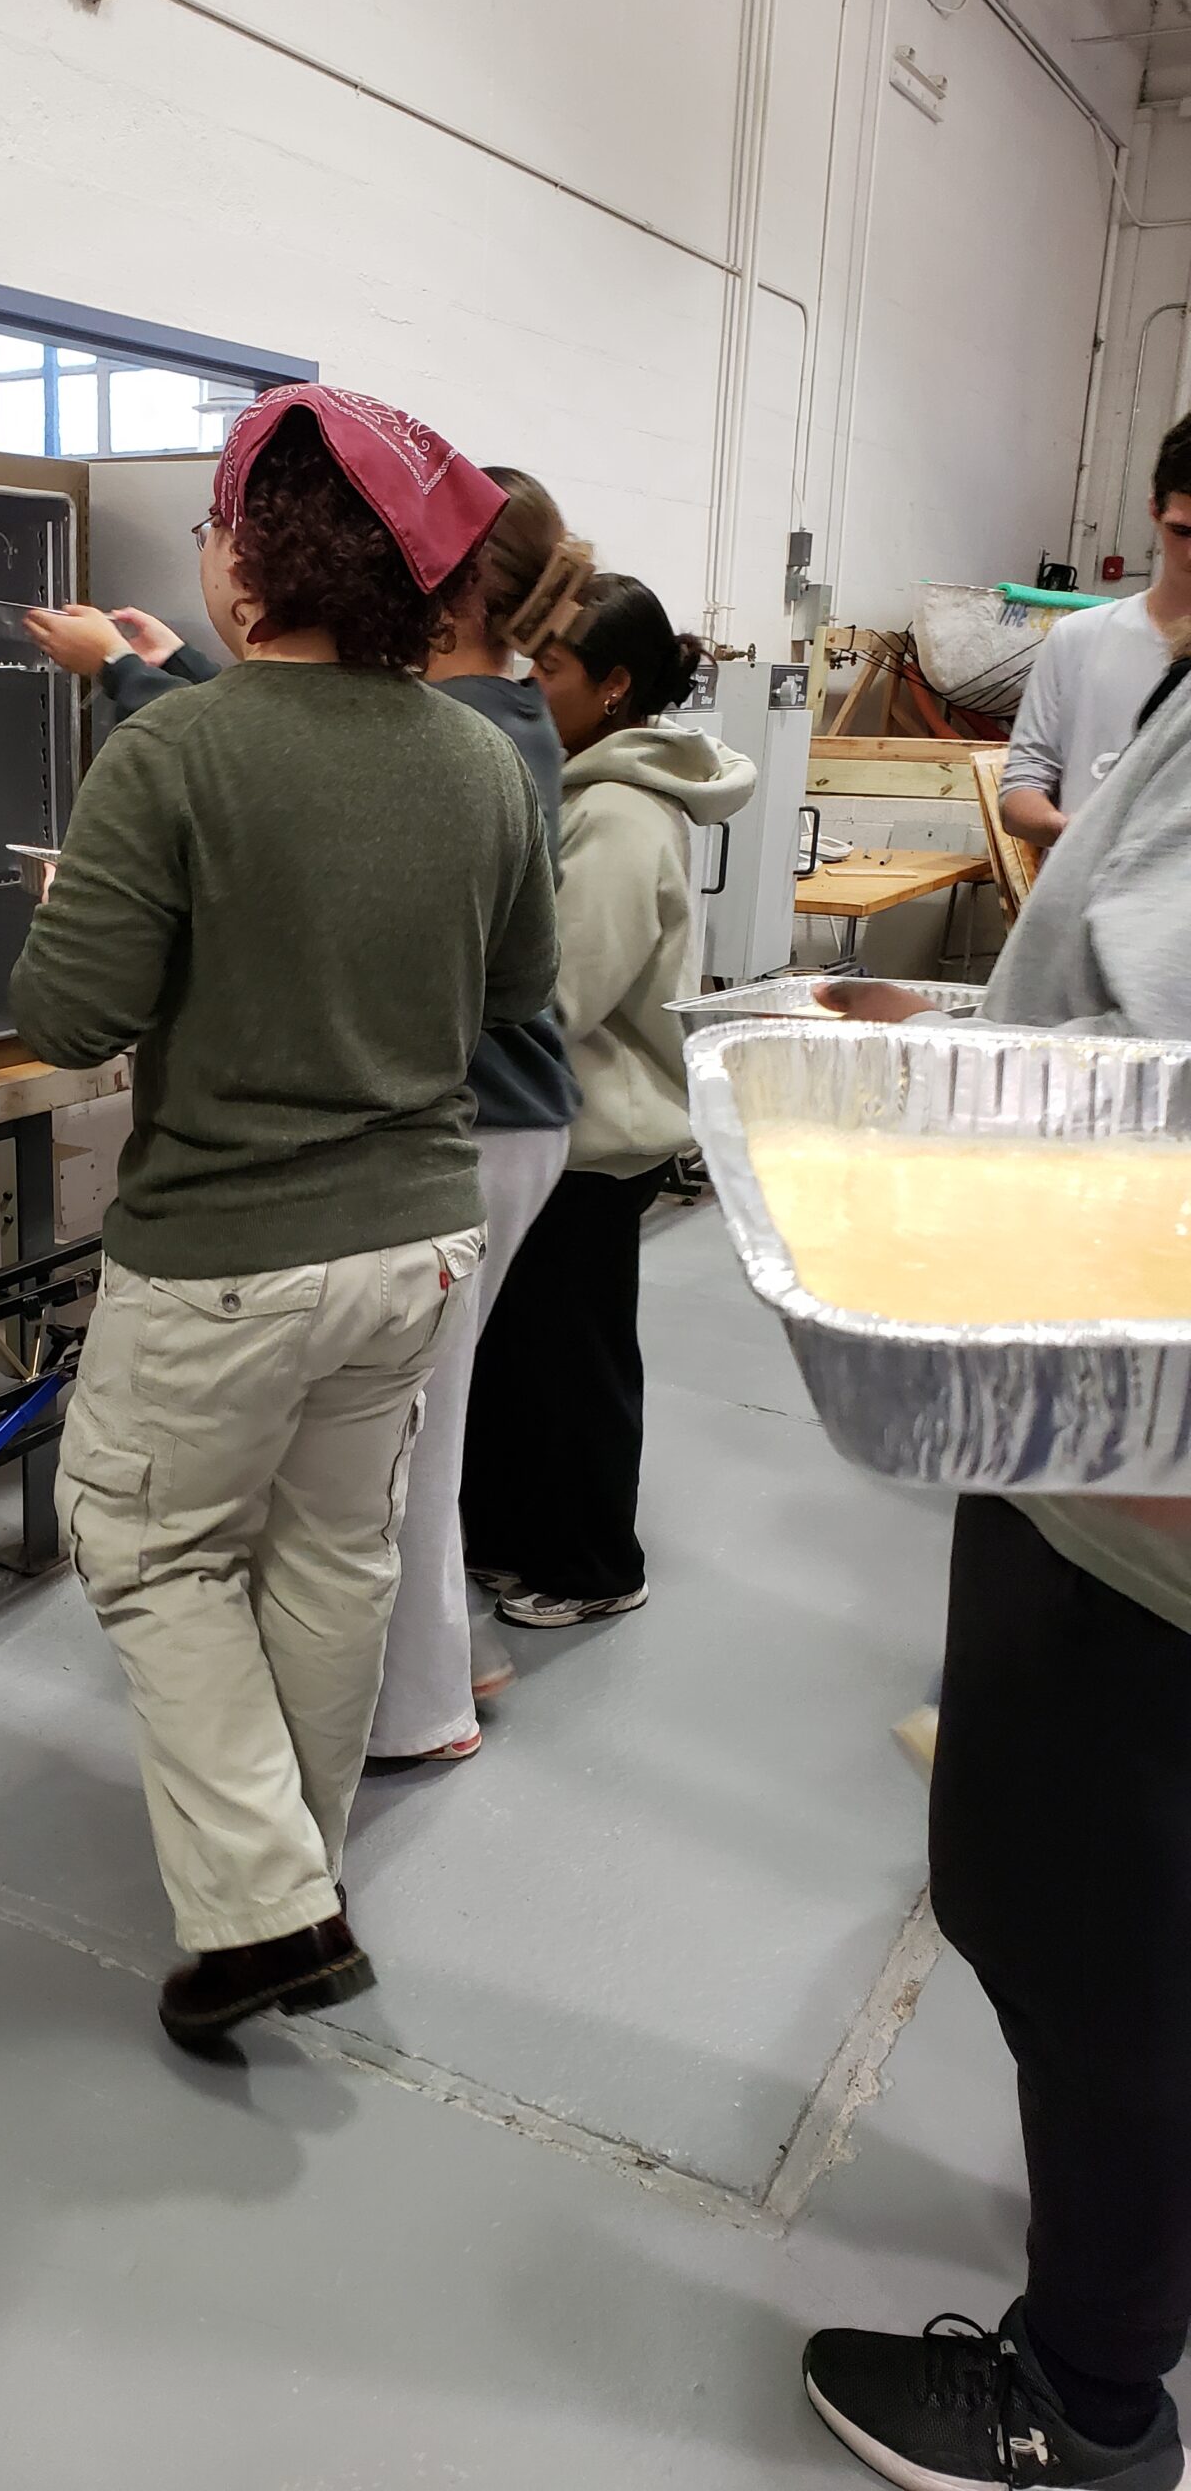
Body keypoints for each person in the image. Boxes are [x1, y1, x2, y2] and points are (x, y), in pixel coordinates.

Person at [7, 385, 559, 2050]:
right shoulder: (481, 760)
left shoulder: (174, 750)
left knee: (146, 1544)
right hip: (415, 1243)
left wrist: (89, 910)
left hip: (225, 1255)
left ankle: (265, 1905)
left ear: (250, 558)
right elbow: (516, 991)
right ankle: (295, 1888)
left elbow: (71, 1019)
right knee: (333, 1553)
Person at [803, 671, 1191, 2489]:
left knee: (1086, 1940)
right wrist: (978, 1035)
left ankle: (1090, 2400)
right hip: (1104, 1451)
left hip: (1137, 1497)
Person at [460, 573, 755, 1633]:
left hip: (591, 1135)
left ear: (616, 685)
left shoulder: (620, 813)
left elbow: (564, 991)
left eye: (548, 666)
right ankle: (511, 1538)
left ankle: (593, 1565)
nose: (525, 681)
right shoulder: (580, 789)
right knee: (518, 1353)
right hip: (553, 1122)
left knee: (572, 1362)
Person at [997, 411, 1191, 850]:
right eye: (1182, 530)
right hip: (1088, 885)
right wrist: (1070, 832)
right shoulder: (1079, 638)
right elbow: (1021, 788)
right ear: (1154, 510)